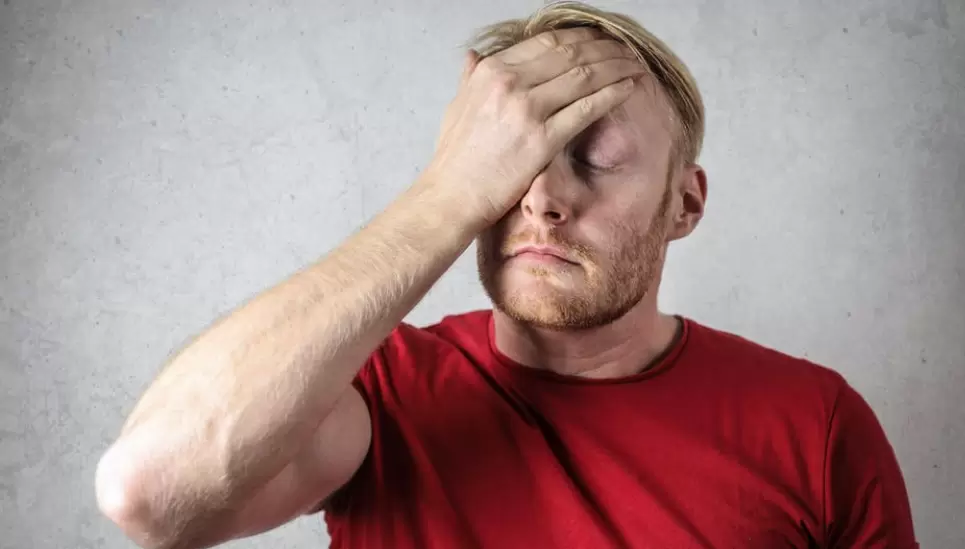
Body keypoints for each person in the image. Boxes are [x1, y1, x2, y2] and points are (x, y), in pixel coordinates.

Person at [95, 2, 919, 548]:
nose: (543, 199)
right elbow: (147, 491)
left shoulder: (817, 424)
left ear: (685, 204)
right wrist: (444, 195)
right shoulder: (377, 393)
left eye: (595, 158)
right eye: (511, 162)